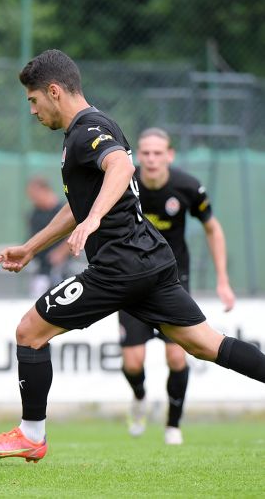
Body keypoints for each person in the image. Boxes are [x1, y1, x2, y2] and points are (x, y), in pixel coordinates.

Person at [0, 49, 265, 463]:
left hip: (119, 265)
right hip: (150, 259)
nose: (33, 111)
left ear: (54, 91)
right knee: (205, 344)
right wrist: (32, 246)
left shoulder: (86, 130)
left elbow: (121, 169)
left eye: (33, 100)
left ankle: (31, 435)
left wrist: (94, 220)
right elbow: (80, 204)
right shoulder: (94, 126)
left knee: (29, 331)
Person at [120, 127, 236, 445]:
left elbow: (213, 229)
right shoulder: (124, 183)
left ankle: (173, 425)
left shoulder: (187, 187)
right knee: (132, 362)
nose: (151, 159)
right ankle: (140, 397)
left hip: (172, 281)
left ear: (169, 155)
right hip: (131, 279)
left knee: (176, 357)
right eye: (145, 152)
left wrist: (223, 280)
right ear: (137, 155)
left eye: (158, 153)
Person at [26, 175, 71, 297]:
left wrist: (61, 252)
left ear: (45, 190)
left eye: (35, 195)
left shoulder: (63, 210)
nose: (33, 199)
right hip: (42, 268)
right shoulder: (35, 214)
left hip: (63, 269)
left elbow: (75, 233)